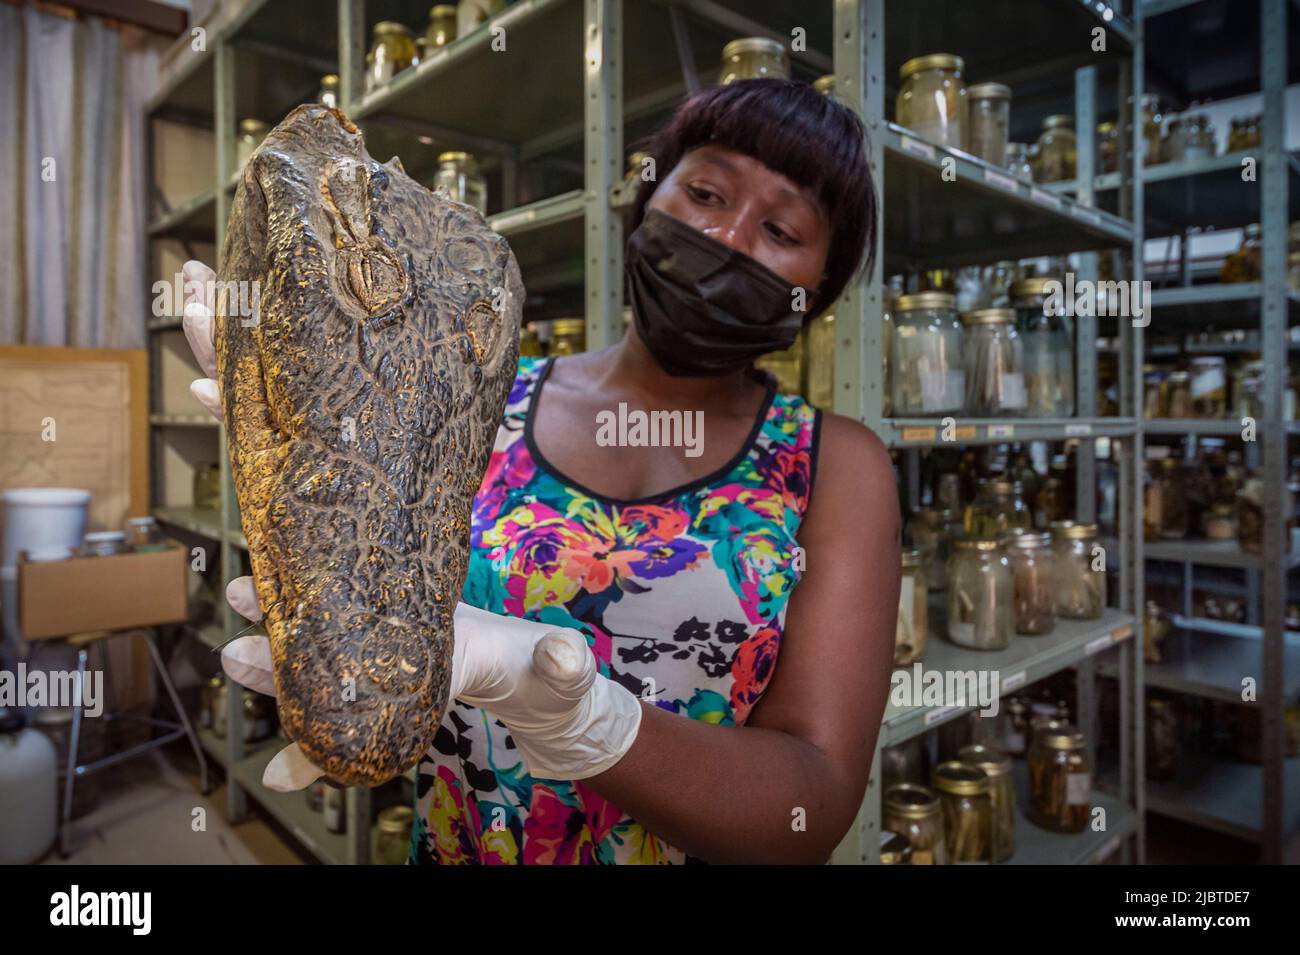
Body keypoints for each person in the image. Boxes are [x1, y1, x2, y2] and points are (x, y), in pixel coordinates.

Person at [181, 77, 898, 865]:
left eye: (781, 230)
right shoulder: (484, 394)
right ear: (649, 194)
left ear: (818, 289)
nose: (727, 237)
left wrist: (590, 722)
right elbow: (384, 628)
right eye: (704, 191)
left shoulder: (835, 465)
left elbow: (815, 798)